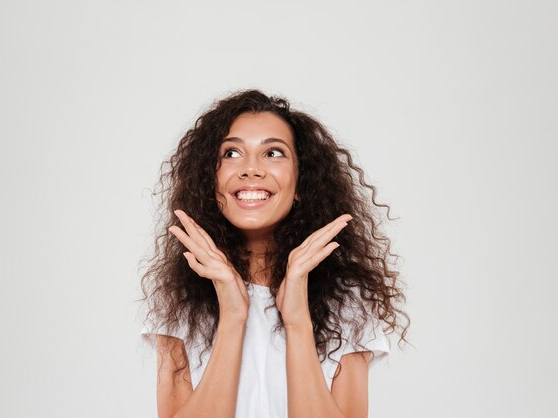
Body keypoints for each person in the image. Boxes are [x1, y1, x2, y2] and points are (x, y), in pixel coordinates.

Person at [139, 89, 410, 418]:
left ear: (300, 185)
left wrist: (297, 321)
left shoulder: (348, 298)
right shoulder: (180, 296)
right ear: (211, 180)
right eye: (231, 153)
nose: (250, 169)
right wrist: (233, 315)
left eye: (273, 153)